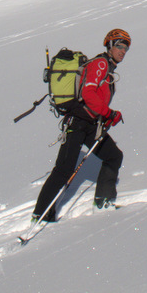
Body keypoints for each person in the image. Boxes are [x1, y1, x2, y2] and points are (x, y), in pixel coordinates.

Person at [32, 29, 130, 221]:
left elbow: (94, 97)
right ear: (109, 46)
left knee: (113, 156)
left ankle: (103, 203)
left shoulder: (107, 67)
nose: (123, 51)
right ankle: (41, 214)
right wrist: (109, 113)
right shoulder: (101, 64)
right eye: (119, 46)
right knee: (64, 169)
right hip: (78, 123)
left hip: (90, 123)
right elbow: (88, 93)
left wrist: (106, 115)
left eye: (126, 48)